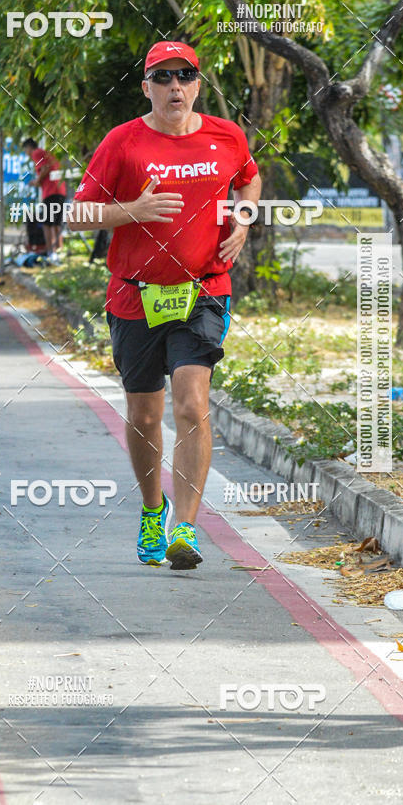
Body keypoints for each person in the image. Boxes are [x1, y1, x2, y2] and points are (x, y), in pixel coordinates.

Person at [67, 41, 261, 569]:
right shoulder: (122, 143)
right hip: (135, 295)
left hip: (203, 288)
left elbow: (249, 178)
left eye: (185, 76)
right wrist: (134, 210)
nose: (175, 87)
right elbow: (78, 216)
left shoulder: (227, 135)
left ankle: (187, 531)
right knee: (145, 414)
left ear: (198, 84)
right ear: (147, 86)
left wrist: (242, 221)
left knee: (192, 404)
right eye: (163, 77)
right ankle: (154, 510)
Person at [22, 139, 67, 262]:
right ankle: (59, 251)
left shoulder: (37, 153)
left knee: (47, 224)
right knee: (56, 224)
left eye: (25, 150)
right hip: (60, 190)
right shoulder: (47, 153)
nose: (26, 153)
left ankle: (50, 252)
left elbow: (45, 168)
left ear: (29, 147)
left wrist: (37, 181)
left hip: (50, 192)